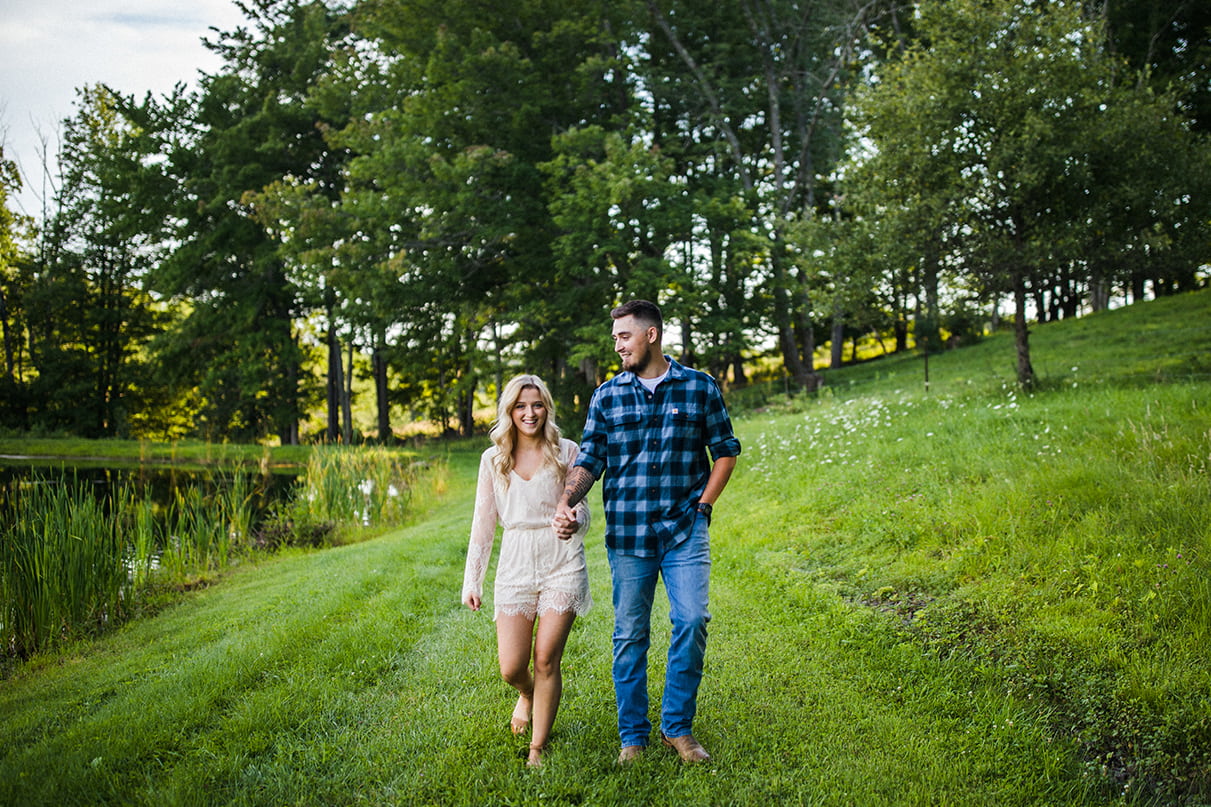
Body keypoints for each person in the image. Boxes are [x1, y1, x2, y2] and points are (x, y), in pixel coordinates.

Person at [553, 299, 741, 765]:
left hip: (684, 530)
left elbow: (725, 450)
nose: (617, 346)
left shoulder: (699, 387)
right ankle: (632, 737)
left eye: (623, 336)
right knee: (631, 634)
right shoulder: (607, 396)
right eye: (615, 337)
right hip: (630, 535)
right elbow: (590, 459)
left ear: (650, 335)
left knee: (692, 620)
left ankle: (677, 728)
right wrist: (566, 502)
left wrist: (703, 506)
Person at [462, 374, 592, 768]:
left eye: (536, 405)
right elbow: (483, 522)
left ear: (547, 407)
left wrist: (574, 522)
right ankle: (527, 693)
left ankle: (537, 748)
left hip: (561, 560)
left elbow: (582, 509)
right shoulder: (494, 457)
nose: (529, 413)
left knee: (547, 658)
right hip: (516, 562)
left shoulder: (566, 450)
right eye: (520, 406)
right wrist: (473, 579)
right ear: (509, 411)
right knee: (512, 667)